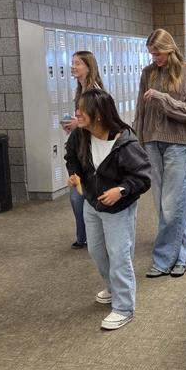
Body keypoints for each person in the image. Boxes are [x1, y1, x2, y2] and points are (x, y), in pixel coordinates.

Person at [64, 88, 151, 330]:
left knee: (119, 255)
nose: (77, 113)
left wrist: (120, 191)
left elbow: (143, 178)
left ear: (99, 114)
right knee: (96, 251)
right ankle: (113, 289)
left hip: (119, 208)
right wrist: (75, 174)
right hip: (92, 203)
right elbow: (71, 157)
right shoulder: (80, 136)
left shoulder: (126, 142)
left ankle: (124, 308)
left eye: (82, 109)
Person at [134, 29, 186, 279]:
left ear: (169, 49)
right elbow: (141, 110)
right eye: (151, 54)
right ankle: (182, 257)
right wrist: (138, 140)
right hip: (151, 142)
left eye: (158, 53)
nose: (155, 59)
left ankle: (163, 259)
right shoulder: (148, 73)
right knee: (164, 205)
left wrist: (163, 98)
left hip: (177, 143)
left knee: (174, 205)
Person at [62, 51, 104, 250]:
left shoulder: (94, 92)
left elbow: (99, 121)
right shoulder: (80, 90)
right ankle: (84, 236)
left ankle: (87, 236)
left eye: (77, 63)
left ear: (88, 67)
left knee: (80, 195)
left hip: (94, 149)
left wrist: (77, 124)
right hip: (81, 147)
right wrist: (75, 125)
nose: (73, 67)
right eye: (72, 63)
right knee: (78, 195)